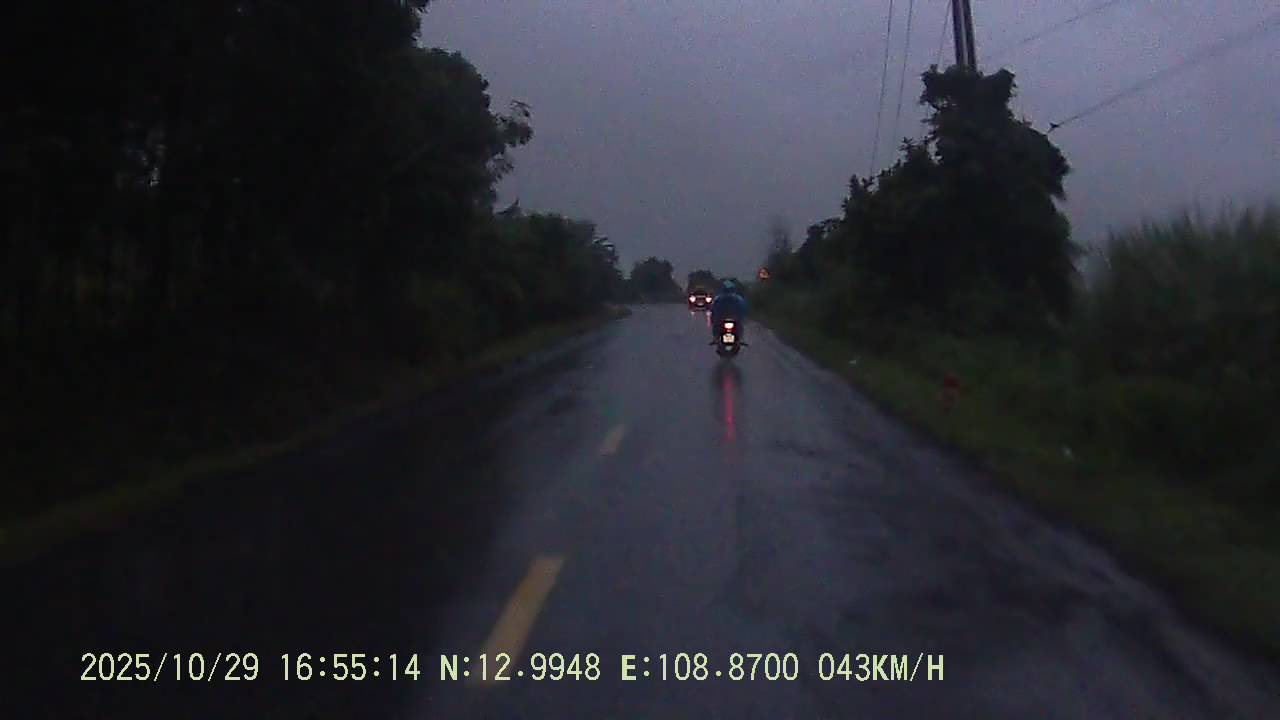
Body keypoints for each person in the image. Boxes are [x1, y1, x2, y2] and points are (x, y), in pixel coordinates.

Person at [709, 279, 748, 343]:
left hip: (722, 317)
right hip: (733, 317)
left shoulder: (718, 298)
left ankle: (716, 337)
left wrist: (713, 315)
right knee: (739, 325)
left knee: (716, 325)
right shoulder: (738, 298)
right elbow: (743, 308)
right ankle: (741, 338)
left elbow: (713, 308)